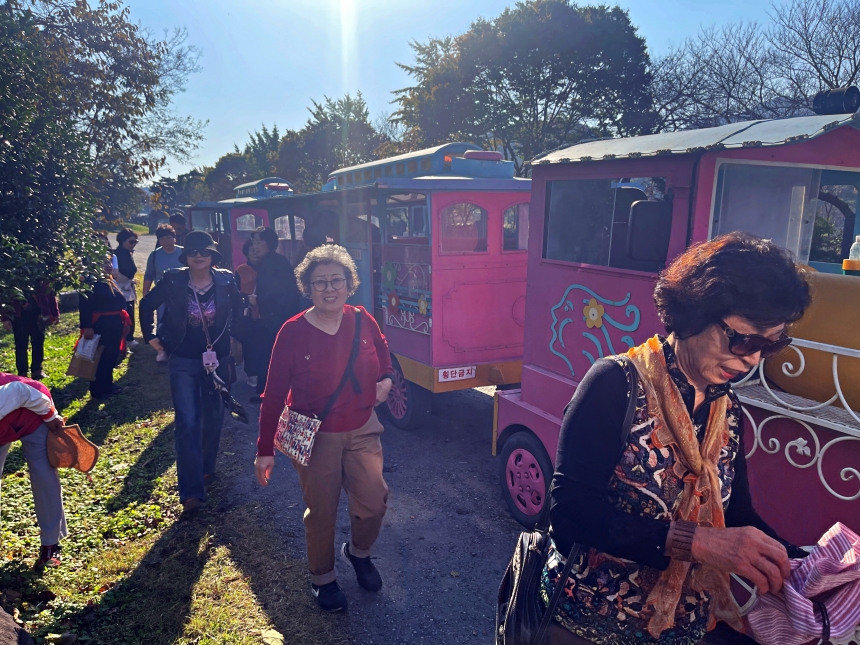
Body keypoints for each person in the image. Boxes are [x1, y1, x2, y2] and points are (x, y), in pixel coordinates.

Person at [542, 232, 812, 645]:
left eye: (771, 346)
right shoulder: (615, 385)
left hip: (682, 630)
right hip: (587, 627)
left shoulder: (728, 409)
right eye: (744, 340)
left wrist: (802, 562)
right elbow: (569, 515)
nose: (753, 359)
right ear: (696, 313)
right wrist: (696, 542)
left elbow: (736, 515)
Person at [255, 244, 394, 613]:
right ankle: (323, 578)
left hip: (362, 426)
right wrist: (264, 449)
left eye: (336, 280)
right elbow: (273, 394)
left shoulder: (363, 319)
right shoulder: (292, 332)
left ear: (349, 283)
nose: (329, 288)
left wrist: (386, 378)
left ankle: (358, 553)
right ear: (308, 287)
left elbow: (383, 352)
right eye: (320, 282)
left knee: (374, 502)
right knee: (322, 511)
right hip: (315, 436)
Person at [139, 231, 243, 513]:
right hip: (183, 359)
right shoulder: (173, 280)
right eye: (194, 251)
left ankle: (206, 469)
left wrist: (236, 341)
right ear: (186, 256)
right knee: (187, 421)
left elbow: (239, 309)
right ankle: (191, 492)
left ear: (213, 256)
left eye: (205, 251)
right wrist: (151, 337)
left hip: (217, 360)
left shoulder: (226, 281)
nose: (199, 256)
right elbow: (146, 304)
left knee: (214, 418)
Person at [0, 373, 68, 569]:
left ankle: (51, 544)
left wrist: (50, 416)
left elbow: (20, 391)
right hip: (4, 425)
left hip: (34, 412)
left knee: (43, 476)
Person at [245, 227, 301, 403]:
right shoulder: (271, 261)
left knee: (272, 356)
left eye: (259, 242)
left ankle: (272, 395)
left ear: (269, 243)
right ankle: (267, 393)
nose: (255, 246)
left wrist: (257, 300)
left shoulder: (274, 263)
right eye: (253, 242)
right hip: (273, 317)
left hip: (277, 318)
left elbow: (279, 293)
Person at [79, 253, 131, 400]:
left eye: (109, 262)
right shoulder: (90, 283)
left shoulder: (109, 280)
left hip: (114, 324)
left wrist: (124, 323)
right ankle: (98, 389)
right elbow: (85, 306)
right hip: (101, 325)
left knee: (111, 356)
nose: (108, 266)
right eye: (103, 263)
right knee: (100, 358)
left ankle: (108, 385)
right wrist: (87, 326)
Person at [143, 224, 185, 363]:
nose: (166, 241)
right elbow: (149, 275)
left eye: (168, 238)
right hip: (162, 295)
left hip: (181, 293)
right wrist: (146, 294)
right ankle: (162, 350)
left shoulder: (183, 252)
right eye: (162, 239)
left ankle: (181, 346)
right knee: (162, 320)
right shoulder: (155, 255)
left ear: (174, 238)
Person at [1, 285, 59, 380]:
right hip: (19, 315)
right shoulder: (13, 279)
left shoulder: (40, 279)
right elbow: (6, 296)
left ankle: (37, 369)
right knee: (20, 344)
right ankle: (22, 372)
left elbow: (50, 292)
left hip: (37, 313)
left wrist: (54, 312)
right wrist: (6, 318)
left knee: (38, 341)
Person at [233, 238, 263, 388]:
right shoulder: (241, 270)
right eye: (252, 251)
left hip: (266, 313)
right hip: (248, 313)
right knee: (250, 345)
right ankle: (251, 373)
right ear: (247, 253)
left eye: (258, 250)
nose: (256, 253)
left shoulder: (269, 268)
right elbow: (235, 292)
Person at [112, 228, 139, 349]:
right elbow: (118, 273)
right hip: (120, 289)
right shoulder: (118, 254)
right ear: (122, 242)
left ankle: (128, 339)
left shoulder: (127, 253)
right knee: (126, 314)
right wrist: (128, 281)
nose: (134, 244)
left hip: (127, 289)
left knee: (129, 313)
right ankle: (125, 340)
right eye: (131, 242)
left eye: (136, 242)